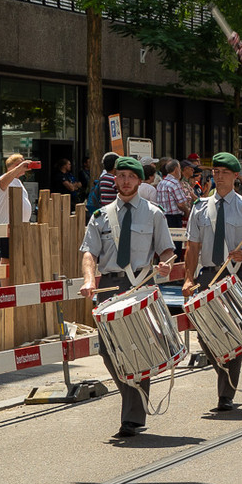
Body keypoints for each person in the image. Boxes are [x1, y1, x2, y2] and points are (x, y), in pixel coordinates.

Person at [80, 157, 176, 439]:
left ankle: (131, 417)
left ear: (139, 180)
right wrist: (88, 279)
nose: (124, 181)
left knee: (138, 348)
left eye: (129, 177)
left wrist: (167, 263)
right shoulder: (100, 216)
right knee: (108, 351)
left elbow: (167, 251)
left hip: (140, 286)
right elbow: (89, 253)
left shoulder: (154, 213)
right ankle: (134, 400)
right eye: (120, 176)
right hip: (109, 287)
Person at [182, 152, 242, 412]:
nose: (218, 176)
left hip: (236, 274)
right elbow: (192, 247)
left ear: (235, 176)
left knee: (234, 332)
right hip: (208, 275)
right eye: (215, 172)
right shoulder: (200, 207)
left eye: (224, 172)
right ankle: (222, 374)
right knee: (206, 334)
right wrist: (188, 278)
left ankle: (226, 392)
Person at [153, 157, 192, 229]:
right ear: (176, 169)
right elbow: (181, 204)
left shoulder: (161, 183)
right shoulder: (174, 183)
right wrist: (187, 212)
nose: (180, 171)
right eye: (179, 168)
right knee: (176, 238)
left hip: (162, 216)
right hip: (174, 218)